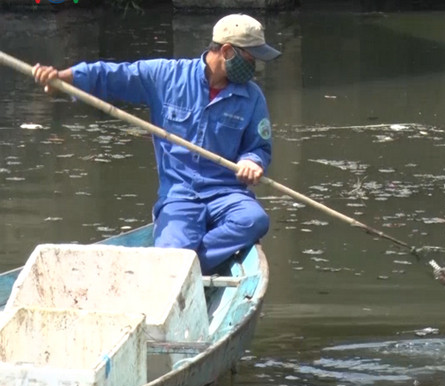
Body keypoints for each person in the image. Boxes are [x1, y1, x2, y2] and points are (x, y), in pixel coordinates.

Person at [33, 14, 280, 274]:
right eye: (250, 59)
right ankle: (180, 265)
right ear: (227, 51)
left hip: (227, 193)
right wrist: (63, 79)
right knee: (173, 249)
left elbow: (259, 146)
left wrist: (251, 161)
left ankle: (190, 268)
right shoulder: (166, 76)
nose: (255, 66)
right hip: (180, 195)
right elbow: (113, 76)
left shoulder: (252, 98)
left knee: (254, 220)